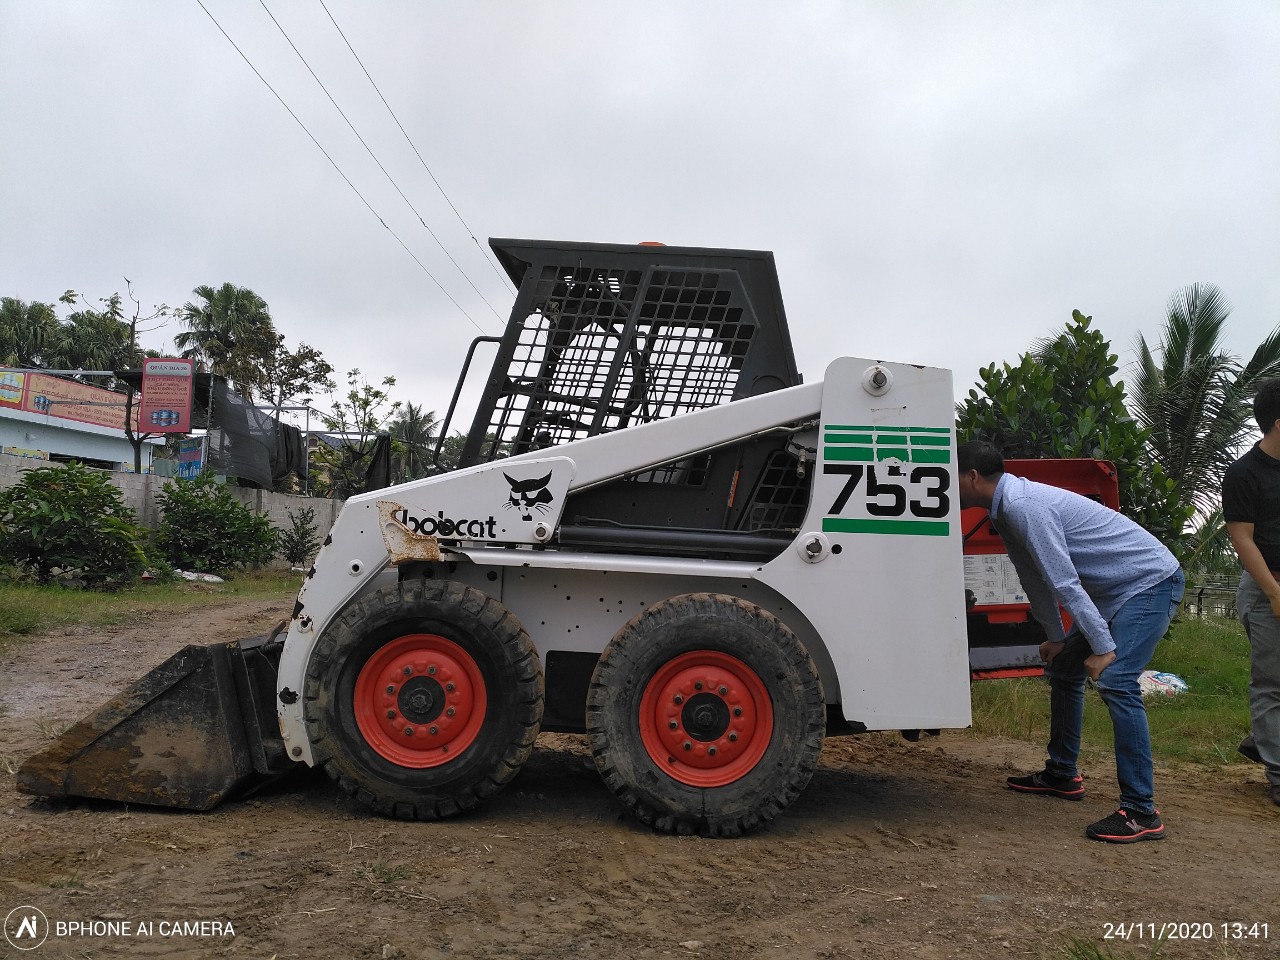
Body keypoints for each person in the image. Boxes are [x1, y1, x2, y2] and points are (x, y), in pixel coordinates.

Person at [956, 440, 1184, 843]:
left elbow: (1064, 581)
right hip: (1116, 593)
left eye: (950, 478)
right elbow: (1034, 578)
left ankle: (1141, 812)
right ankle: (1062, 774)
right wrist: (1056, 637)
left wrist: (1103, 648)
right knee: (1063, 666)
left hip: (1149, 583)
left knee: (1116, 681)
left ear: (972, 477)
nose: (945, 487)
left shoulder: (1027, 506)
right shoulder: (1005, 509)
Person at [1222, 378, 1280, 808]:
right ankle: (1278, 774)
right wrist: (1274, 592)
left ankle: (1264, 740)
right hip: (1266, 587)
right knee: (1272, 683)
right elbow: (1243, 540)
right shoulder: (1244, 474)